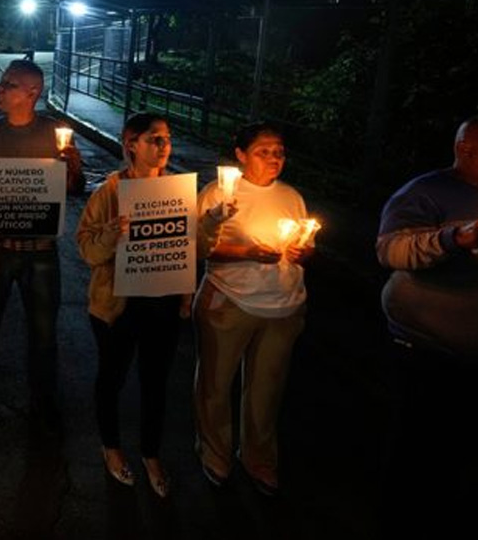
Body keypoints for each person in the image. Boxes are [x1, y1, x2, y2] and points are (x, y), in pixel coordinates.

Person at [375, 114, 478, 535]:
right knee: (420, 454)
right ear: (466, 149)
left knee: (473, 455)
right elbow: (392, 251)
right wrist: (455, 239)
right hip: (431, 353)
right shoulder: (426, 192)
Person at [0, 59, 83, 430]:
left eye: (8, 84)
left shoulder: (57, 136)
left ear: (33, 93)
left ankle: (44, 404)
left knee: (43, 335)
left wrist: (73, 164)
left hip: (41, 253)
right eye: (1, 83)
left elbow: (75, 189)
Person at [191, 122, 311, 496]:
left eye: (279, 151)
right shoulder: (217, 194)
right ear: (241, 155)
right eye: (263, 151)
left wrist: (303, 250)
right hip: (229, 300)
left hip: (284, 305)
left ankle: (259, 458)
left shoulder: (290, 196)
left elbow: (302, 243)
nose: (274, 158)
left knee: (267, 389)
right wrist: (248, 253)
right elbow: (197, 247)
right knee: (216, 383)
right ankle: (215, 452)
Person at [76, 112, 188, 498]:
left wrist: (210, 225)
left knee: (156, 384)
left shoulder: (176, 192)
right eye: (154, 138)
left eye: (167, 139)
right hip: (117, 307)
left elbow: (190, 249)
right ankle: (111, 447)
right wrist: (112, 234)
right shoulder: (109, 193)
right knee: (112, 380)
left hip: (163, 305)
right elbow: (88, 251)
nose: (163, 146)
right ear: (131, 145)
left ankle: (151, 453)